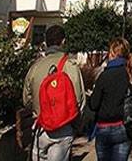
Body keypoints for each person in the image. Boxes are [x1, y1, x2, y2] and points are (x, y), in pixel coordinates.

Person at [22, 26, 86, 161]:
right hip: (63, 128)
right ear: (63, 41)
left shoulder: (35, 67)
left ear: (46, 42)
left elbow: (27, 100)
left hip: (41, 127)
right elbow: (80, 101)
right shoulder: (71, 66)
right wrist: (75, 126)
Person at [89, 38, 132, 161]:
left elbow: (94, 105)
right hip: (125, 127)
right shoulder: (131, 73)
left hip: (104, 128)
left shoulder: (105, 76)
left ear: (112, 54)